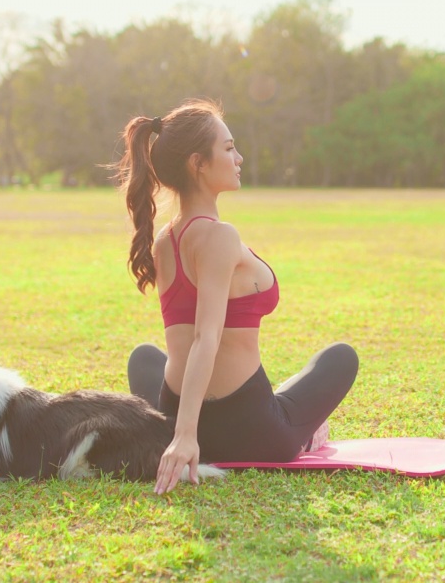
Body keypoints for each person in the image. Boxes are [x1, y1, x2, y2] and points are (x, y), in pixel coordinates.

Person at [117, 98, 358, 494]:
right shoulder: (219, 236)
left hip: (174, 412)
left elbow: (193, 337)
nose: (239, 157)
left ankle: (185, 429)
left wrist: (177, 430)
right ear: (198, 163)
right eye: (228, 149)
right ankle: (302, 433)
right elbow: (204, 338)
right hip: (247, 429)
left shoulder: (165, 240)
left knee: (144, 356)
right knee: (340, 356)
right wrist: (186, 437)